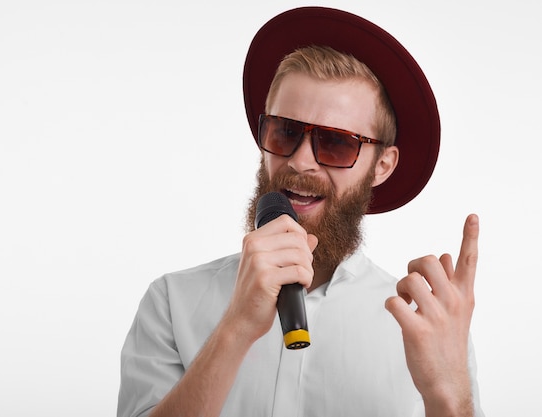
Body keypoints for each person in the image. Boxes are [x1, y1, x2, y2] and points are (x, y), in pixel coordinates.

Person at [118, 7, 483, 417]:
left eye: (337, 143)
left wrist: (450, 398)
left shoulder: (429, 326)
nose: (300, 162)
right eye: (286, 131)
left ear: (382, 166)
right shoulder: (172, 302)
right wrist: (236, 327)